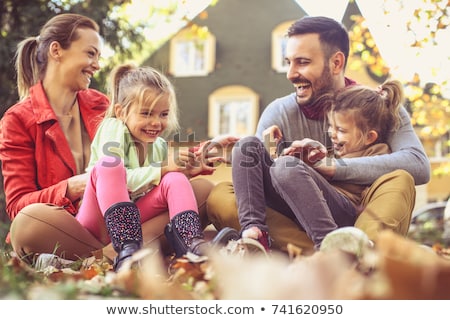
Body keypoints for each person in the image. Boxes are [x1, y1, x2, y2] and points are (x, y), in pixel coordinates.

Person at [0, 13, 219, 266]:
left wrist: (202, 152)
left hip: (129, 218)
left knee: (200, 190)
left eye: (99, 57)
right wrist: (74, 186)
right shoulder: (18, 119)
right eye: (91, 54)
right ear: (57, 51)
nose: (97, 64)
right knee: (27, 222)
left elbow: (149, 148)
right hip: (71, 225)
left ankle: (109, 258)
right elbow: (17, 205)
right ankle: (120, 254)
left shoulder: (101, 104)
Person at [206, 16, 430, 254]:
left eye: (302, 62)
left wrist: (334, 166)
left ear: (336, 63)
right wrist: (270, 152)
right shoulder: (279, 111)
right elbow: (256, 182)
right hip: (297, 221)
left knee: (400, 180)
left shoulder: (377, 108)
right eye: (288, 62)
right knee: (222, 194)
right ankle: (337, 254)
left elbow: (417, 165)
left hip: (356, 212)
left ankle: (357, 250)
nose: (291, 74)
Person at [76, 63, 239, 270]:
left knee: (175, 179)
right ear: (121, 112)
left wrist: (193, 162)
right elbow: (121, 179)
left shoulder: (159, 145)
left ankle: (190, 244)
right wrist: (163, 169)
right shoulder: (113, 127)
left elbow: (161, 189)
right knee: (110, 166)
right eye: (146, 113)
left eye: (163, 114)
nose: (156, 122)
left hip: (133, 223)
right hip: (97, 219)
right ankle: (127, 252)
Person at [236, 80, 405, 250]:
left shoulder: (379, 152)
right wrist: (272, 149)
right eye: (331, 126)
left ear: (369, 137)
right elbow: (288, 176)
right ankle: (256, 234)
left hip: (342, 211)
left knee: (286, 166)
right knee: (247, 146)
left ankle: (330, 245)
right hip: (304, 207)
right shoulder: (336, 150)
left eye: (341, 130)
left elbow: (352, 171)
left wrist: (314, 164)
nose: (332, 134)